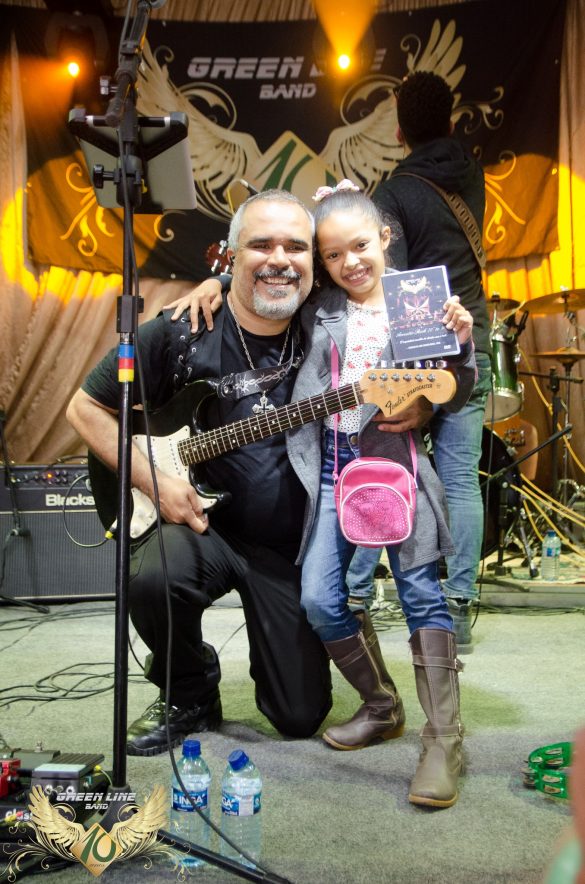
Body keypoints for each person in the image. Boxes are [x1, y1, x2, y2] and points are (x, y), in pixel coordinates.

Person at [66, 189, 334, 756]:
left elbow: (376, 275)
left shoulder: (329, 328)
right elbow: (84, 410)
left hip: (287, 547)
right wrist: (154, 482)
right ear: (231, 255)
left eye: (296, 247)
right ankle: (188, 691)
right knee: (152, 578)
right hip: (199, 527)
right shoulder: (179, 331)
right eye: (261, 245)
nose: (280, 259)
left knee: (300, 717)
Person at [289, 182, 475, 808]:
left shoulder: (417, 299)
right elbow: (258, 298)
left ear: (385, 238)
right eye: (333, 254)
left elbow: (457, 380)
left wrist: (461, 342)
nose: (350, 263)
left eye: (360, 246)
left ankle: (444, 740)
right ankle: (380, 704)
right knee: (320, 598)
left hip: (396, 466)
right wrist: (212, 285)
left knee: (421, 594)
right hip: (330, 471)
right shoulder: (319, 308)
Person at [371, 70, 493, 652]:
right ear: (450, 119)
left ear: (399, 131)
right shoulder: (473, 174)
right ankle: (460, 604)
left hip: (416, 353)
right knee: (462, 477)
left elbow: (389, 279)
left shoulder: (394, 193)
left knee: (388, 467)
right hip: (471, 341)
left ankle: (354, 596)